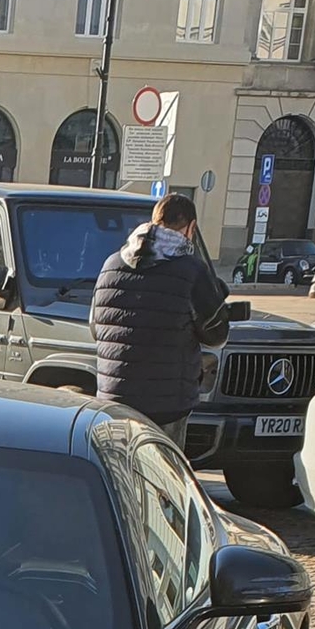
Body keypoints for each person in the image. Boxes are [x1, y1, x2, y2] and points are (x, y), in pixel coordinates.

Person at [90, 193, 231, 450]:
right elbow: (217, 335)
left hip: (114, 398)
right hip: (167, 405)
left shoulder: (110, 265)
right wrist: (216, 296)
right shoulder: (192, 270)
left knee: (121, 477)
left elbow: (95, 327)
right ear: (191, 228)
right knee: (163, 480)